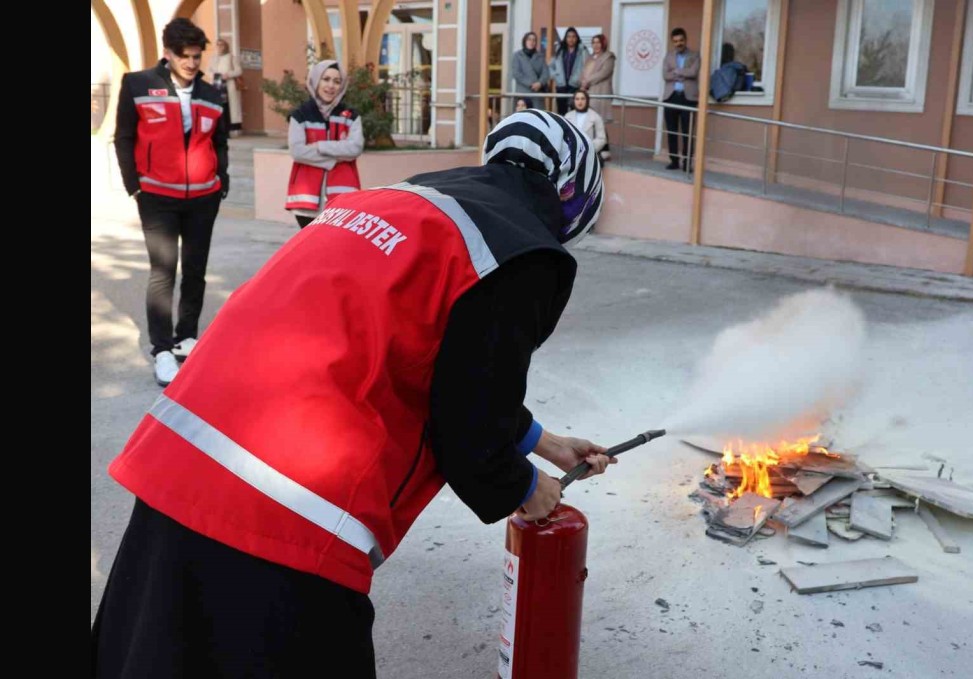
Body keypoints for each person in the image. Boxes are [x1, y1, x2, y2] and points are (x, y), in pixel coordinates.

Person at [90, 109, 608, 677]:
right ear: (574, 193)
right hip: (290, 503)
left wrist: (545, 442)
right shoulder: (523, 252)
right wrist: (526, 486)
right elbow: (470, 423)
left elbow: (442, 359)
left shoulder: (397, 200)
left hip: (180, 457)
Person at [114, 17, 229, 387]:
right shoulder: (138, 84)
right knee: (163, 272)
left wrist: (221, 181)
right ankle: (162, 350)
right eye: (185, 56)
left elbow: (220, 142)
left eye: (197, 56)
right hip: (157, 197)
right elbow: (124, 137)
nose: (192, 63)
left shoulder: (212, 94)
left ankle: (186, 338)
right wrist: (135, 186)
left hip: (203, 198)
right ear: (167, 53)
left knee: (195, 271)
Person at [285, 60, 365, 229]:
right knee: (313, 250)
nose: (331, 86)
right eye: (326, 79)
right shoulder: (300, 115)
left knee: (338, 249)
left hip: (342, 197)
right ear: (316, 81)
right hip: (307, 200)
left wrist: (321, 146)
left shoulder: (350, 115)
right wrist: (334, 160)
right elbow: (298, 151)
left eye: (337, 81)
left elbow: (355, 148)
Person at [661, 27, 700, 171]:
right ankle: (674, 161)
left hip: (688, 98)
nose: (679, 43)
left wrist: (676, 72)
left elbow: (693, 72)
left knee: (687, 132)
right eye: (676, 41)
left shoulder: (695, 55)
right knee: (671, 131)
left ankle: (687, 163)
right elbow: (665, 75)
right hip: (671, 97)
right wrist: (684, 73)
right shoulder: (668, 56)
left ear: (685, 40)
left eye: (681, 40)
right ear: (673, 42)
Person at [209, 38, 244, 136]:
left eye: (222, 45)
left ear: (226, 46)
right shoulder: (213, 58)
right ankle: (218, 131)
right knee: (217, 108)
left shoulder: (232, 57)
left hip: (228, 87)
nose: (220, 47)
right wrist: (214, 75)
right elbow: (208, 70)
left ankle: (226, 131)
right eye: (218, 45)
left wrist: (228, 74)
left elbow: (239, 71)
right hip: (216, 86)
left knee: (226, 108)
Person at [550, 27, 588, 117]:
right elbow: (550, 67)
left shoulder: (582, 50)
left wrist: (581, 79)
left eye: (573, 36)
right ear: (565, 38)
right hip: (561, 85)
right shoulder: (559, 50)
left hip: (575, 86)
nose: (571, 39)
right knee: (561, 112)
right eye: (569, 37)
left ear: (577, 38)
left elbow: (587, 66)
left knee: (575, 112)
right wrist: (556, 76)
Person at [567, 90, 609, 165]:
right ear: (574, 101)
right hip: (571, 153)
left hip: (589, 154)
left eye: (583, 99)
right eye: (577, 99)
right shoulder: (568, 116)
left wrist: (588, 149)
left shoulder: (595, 116)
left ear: (587, 100)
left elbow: (602, 138)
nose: (580, 101)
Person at [580, 33, 615, 122]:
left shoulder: (609, 57)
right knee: (589, 122)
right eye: (594, 43)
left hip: (601, 92)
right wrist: (582, 82)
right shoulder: (590, 58)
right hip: (588, 93)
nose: (596, 45)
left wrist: (587, 81)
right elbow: (583, 72)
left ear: (603, 44)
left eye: (598, 42)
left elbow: (603, 73)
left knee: (600, 122)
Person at [512, 32, 548, 110]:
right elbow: (516, 73)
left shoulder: (540, 56)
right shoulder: (517, 56)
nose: (531, 42)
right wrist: (531, 84)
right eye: (529, 39)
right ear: (525, 41)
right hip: (523, 93)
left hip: (537, 94)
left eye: (534, 40)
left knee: (537, 117)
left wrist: (540, 83)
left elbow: (545, 73)